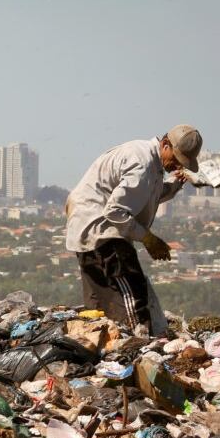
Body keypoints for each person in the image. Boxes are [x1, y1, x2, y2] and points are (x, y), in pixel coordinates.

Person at [65, 125, 203, 336]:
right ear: (165, 144)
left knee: (100, 301)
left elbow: (147, 194)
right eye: (176, 159)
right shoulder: (142, 165)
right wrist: (148, 239)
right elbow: (114, 211)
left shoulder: (150, 160)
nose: (177, 165)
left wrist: (175, 184)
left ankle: (103, 344)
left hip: (88, 226)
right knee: (132, 292)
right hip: (101, 229)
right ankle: (137, 340)